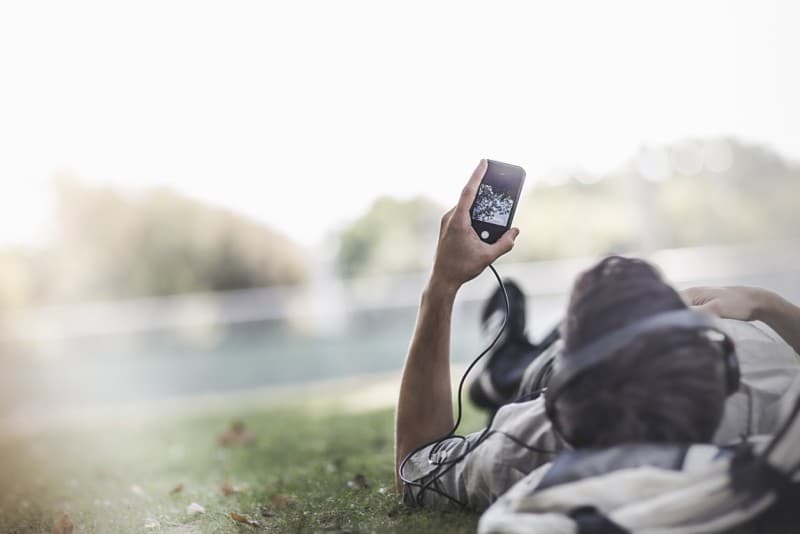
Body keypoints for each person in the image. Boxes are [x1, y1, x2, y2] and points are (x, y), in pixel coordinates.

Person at [394, 160, 800, 510]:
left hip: (548, 373)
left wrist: (442, 285)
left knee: (520, 370)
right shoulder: (772, 388)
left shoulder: (528, 442)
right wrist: (765, 303)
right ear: (712, 351)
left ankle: (506, 364)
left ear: (563, 399)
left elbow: (414, 463)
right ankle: (516, 355)